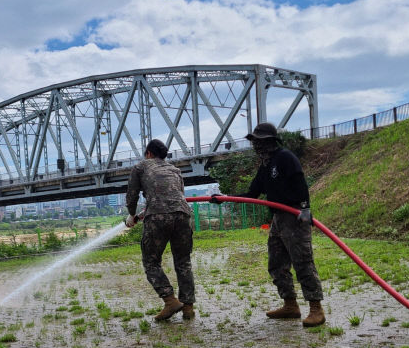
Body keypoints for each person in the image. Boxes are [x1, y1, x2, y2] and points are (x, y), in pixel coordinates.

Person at [211, 122, 325, 327]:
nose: (256, 147)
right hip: (278, 219)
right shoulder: (265, 166)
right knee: (277, 263)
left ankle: (316, 308)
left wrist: (305, 208)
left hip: (295, 217)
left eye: (259, 142)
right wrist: (225, 198)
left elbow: (299, 181)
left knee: (302, 262)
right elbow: (252, 194)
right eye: (254, 143)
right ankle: (290, 305)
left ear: (270, 142)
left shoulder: (285, 158)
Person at [126, 139, 195, 321]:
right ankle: (188, 308)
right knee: (183, 261)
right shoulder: (175, 170)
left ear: (148, 153)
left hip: (157, 216)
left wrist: (131, 214)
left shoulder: (140, 167)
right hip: (182, 214)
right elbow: (176, 195)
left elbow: (132, 194)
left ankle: (170, 301)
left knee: (151, 261)